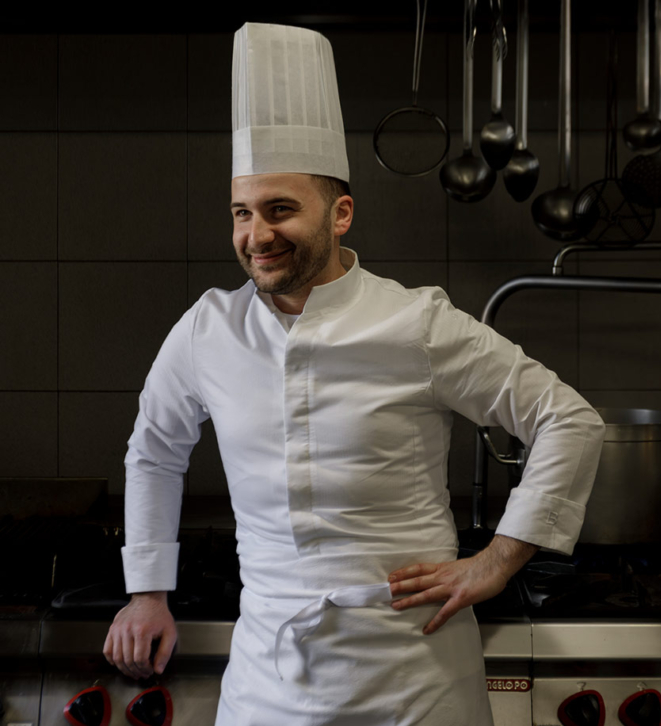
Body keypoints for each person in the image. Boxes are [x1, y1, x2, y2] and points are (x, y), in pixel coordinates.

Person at [102, 21, 606, 726]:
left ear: (340, 214)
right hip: (269, 678)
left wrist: (498, 559)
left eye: (281, 210)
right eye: (242, 213)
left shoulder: (417, 324)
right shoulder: (207, 330)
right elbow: (154, 451)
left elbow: (567, 419)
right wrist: (147, 591)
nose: (257, 235)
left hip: (415, 673)